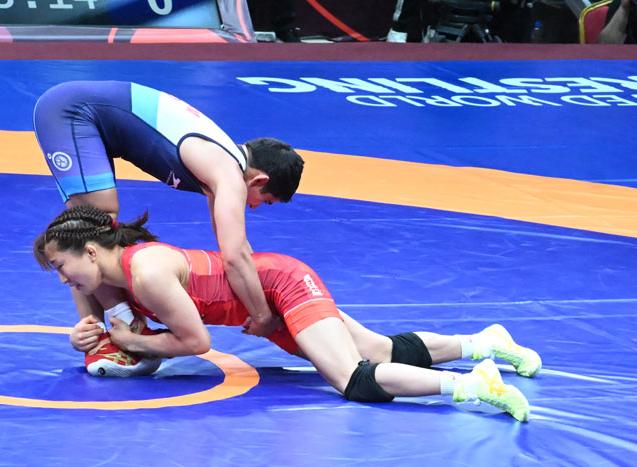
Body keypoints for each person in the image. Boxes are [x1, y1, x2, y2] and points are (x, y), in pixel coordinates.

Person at [33, 205, 542, 422]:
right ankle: (486, 342)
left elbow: (194, 344)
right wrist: (92, 338)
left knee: (353, 378)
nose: (62, 279)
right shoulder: (113, 280)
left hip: (276, 287)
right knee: (380, 351)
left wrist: (130, 342)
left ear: (91, 252)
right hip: (268, 297)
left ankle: (474, 385)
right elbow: (131, 343)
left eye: (61, 267)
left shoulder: (145, 272)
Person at [33, 80, 304, 356]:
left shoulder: (221, 163)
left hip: (83, 111)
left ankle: (110, 328)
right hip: (71, 112)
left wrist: (260, 299)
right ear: (259, 180)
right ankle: (106, 332)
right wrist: (262, 316)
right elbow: (235, 257)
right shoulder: (228, 173)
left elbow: (235, 248)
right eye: (265, 201)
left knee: (97, 227)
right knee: (97, 225)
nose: (254, 207)